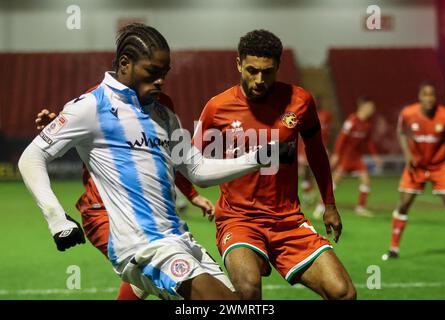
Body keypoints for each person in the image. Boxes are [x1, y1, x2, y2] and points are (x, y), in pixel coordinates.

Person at [18, 23, 286, 300]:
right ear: (125, 64)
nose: (160, 81)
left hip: (180, 240)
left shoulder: (164, 113)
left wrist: (259, 156)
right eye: (152, 72)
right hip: (142, 247)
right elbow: (31, 157)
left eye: (164, 73)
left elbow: (197, 169)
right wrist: (56, 219)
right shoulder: (91, 106)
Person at [194, 29, 356, 300]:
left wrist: (329, 204)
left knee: (343, 293)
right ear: (238, 64)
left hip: (288, 221)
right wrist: (192, 196)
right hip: (239, 220)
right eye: (251, 70)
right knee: (247, 290)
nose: (259, 79)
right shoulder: (217, 107)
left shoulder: (300, 101)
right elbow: (192, 161)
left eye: (267, 72)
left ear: (278, 67)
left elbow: (317, 153)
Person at [35, 106, 215, 300]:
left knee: (149, 271)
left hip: (148, 213)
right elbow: (56, 143)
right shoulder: (98, 100)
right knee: (177, 284)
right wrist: (60, 128)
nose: (158, 79)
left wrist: (193, 195)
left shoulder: (161, 107)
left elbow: (169, 159)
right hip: (104, 211)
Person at [382, 81, 445, 260]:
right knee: (404, 204)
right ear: (420, 97)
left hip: (439, 165)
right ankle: (393, 248)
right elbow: (401, 132)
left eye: (432, 95)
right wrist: (407, 154)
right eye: (425, 95)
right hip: (416, 167)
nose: (429, 98)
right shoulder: (408, 113)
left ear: (436, 98)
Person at [314, 96, 382, 219]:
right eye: (370, 107)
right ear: (363, 107)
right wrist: (337, 154)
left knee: (366, 181)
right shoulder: (352, 121)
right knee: (333, 185)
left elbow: (368, 142)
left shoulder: (367, 124)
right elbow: (341, 138)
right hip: (345, 158)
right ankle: (319, 208)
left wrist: (375, 156)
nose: (372, 110)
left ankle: (360, 208)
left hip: (357, 159)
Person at [298, 95, 333, 206]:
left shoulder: (326, 115)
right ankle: (306, 197)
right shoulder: (303, 113)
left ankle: (323, 199)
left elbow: (327, 133)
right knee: (306, 173)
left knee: (322, 174)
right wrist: (299, 152)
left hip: (321, 147)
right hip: (305, 148)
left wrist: (327, 148)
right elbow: (299, 134)